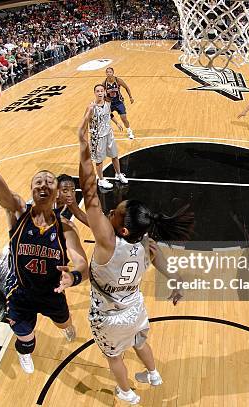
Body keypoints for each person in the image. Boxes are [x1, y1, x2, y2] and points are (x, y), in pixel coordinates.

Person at [77, 107, 193, 405]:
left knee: (113, 356)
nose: (110, 211)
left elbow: (90, 196)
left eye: (114, 213)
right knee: (141, 340)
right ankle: (153, 374)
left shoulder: (107, 243)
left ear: (124, 229)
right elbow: (163, 262)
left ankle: (126, 392)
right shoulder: (146, 243)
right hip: (135, 307)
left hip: (110, 315)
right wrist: (177, 283)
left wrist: (83, 148)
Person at [0, 116, 89, 374]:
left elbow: (83, 265)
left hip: (52, 292)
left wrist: (73, 278)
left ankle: (67, 326)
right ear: (31, 190)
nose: (43, 184)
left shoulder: (66, 228)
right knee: (25, 338)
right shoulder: (17, 211)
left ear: (56, 194)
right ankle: (25, 351)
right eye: (38, 181)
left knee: (65, 324)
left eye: (49, 182)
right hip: (21, 293)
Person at [86, 84, 128, 190]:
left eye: (101, 91)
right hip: (98, 136)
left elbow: (109, 114)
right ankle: (101, 180)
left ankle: (118, 174)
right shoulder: (91, 107)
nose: (100, 93)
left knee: (114, 155)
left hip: (109, 133)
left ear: (104, 92)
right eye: (97, 91)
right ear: (94, 93)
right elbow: (84, 121)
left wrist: (117, 123)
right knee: (99, 160)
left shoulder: (107, 103)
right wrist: (85, 136)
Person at [104, 67, 135, 139]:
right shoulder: (104, 83)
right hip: (110, 103)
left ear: (113, 73)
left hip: (119, 102)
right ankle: (107, 132)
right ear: (106, 73)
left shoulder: (118, 80)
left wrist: (130, 97)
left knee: (123, 118)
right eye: (107, 72)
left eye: (110, 72)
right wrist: (104, 99)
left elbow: (126, 87)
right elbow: (102, 92)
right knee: (106, 116)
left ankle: (129, 131)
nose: (109, 73)